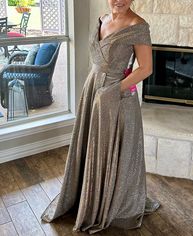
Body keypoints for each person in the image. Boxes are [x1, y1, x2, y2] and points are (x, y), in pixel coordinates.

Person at [40, 0, 160, 234]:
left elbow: (145, 68)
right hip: (93, 88)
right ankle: (86, 193)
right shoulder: (103, 19)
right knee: (90, 146)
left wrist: (112, 91)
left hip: (115, 97)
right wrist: (98, 90)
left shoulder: (138, 26)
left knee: (108, 148)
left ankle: (108, 201)